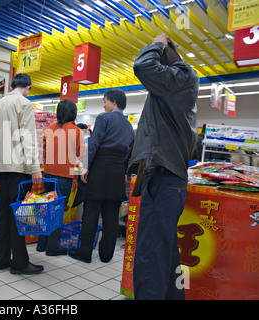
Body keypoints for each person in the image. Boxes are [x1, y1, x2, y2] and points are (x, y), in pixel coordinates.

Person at [129, 34, 199, 300]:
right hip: (166, 181)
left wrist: (158, 43)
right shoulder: (172, 93)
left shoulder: (182, 75)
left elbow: (142, 66)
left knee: (150, 260)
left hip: (164, 180)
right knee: (167, 259)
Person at [0, 73, 43, 275]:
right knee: (18, 215)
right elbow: (28, 138)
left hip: (0, 167)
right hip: (18, 169)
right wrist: (35, 168)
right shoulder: (24, 104)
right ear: (28, 87)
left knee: (3, 214)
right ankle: (19, 262)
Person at [69, 89, 134, 264]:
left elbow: (94, 144)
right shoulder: (129, 126)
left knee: (91, 213)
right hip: (117, 172)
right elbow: (129, 153)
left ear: (113, 102)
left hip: (100, 169)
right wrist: (123, 171)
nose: (104, 104)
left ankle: (85, 253)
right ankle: (106, 255)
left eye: (105, 101)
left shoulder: (104, 118)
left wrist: (86, 168)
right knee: (111, 216)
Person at [36, 99, 86, 256]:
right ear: (73, 113)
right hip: (64, 176)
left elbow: (44, 150)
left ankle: (41, 244)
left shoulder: (50, 128)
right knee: (57, 212)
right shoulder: (76, 131)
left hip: (48, 174)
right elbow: (80, 154)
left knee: (47, 209)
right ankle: (53, 248)